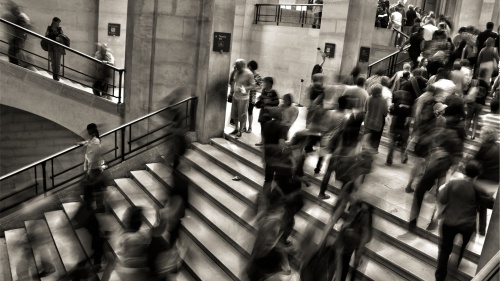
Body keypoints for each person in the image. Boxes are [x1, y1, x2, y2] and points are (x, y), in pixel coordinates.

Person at [434, 161, 494, 281]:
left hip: (449, 223)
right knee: (463, 246)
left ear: (464, 171)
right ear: (477, 175)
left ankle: (440, 277)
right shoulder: (478, 189)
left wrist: (438, 214)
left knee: (444, 250)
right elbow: (491, 204)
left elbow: (441, 199)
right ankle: (457, 262)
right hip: (467, 225)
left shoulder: (452, 184)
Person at [115, 206, 152, 280]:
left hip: (126, 272)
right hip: (140, 272)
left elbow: (120, 252)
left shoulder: (124, 238)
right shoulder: (144, 237)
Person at [78, 123, 106, 212]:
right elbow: (88, 143)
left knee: (95, 189)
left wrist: (88, 171)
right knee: (94, 188)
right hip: (92, 168)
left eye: (89, 130)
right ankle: (98, 206)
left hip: (94, 168)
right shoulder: (92, 140)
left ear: (92, 130)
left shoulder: (96, 141)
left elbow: (94, 156)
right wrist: (82, 143)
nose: (88, 132)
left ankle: (99, 207)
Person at [386, 88, 412, 166]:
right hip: (404, 127)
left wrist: (390, 129)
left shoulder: (395, 106)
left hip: (395, 126)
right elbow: (409, 119)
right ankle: (404, 158)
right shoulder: (409, 107)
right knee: (404, 143)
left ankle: (389, 161)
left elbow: (393, 118)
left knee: (391, 144)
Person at [229, 59, 255, 138]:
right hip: (235, 96)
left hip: (244, 97)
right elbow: (233, 81)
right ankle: (236, 128)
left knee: (242, 114)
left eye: (238, 66)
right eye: (236, 66)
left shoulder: (249, 74)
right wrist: (232, 91)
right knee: (235, 113)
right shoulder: (236, 72)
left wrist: (245, 88)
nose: (236, 67)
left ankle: (241, 130)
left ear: (243, 66)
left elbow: (253, 85)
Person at [255, 77, 279, 146]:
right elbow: (262, 99)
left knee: (267, 126)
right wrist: (260, 100)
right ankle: (262, 140)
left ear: (269, 84)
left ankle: (267, 141)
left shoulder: (273, 92)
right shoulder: (263, 91)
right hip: (263, 110)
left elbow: (277, 102)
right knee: (262, 126)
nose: (263, 84)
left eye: (265, 82)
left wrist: (270, 101)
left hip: (269, 112)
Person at [363, 84, 388, 152]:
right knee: (376, 138)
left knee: (366, 138)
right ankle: (373, 150)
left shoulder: (368, 98)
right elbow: (385, 113)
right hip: (378, 122)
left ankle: (364, 152)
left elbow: (365, 109)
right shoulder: (383, 100)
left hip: (368, 122)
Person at [245, 60, 263, 133]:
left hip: (252, 95)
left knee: (250, 111)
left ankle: (250, 127)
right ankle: (243, 126)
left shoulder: (257, 76)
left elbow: (260, 87)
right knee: (243, 111)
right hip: (244, 94)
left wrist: (251, 88)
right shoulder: (247, 74)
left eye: (249, 67)